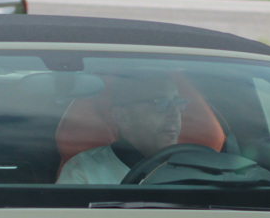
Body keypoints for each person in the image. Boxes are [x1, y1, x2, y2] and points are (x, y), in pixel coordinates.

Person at [57, 73, 190, 184]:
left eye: (178, 103)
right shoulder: (84, 172)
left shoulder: (196, 166)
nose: (175, 113)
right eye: (161, 103)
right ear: (122, 116)